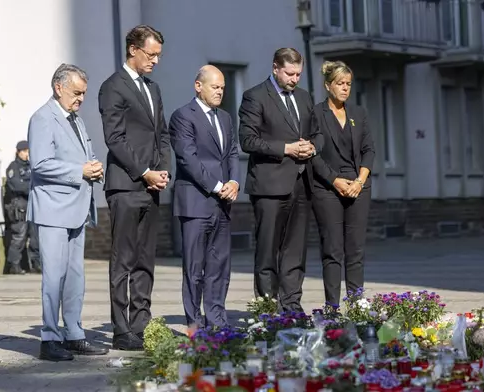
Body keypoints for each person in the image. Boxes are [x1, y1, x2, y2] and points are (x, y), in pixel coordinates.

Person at [27, 63, 108, 361]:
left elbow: (85, 153)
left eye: (84, 93)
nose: (81, 99)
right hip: (52, 209)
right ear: (58, 87)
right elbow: (40, 164)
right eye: (76, 92)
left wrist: (94, 168)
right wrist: (80, 170)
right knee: (54, 277)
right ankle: (49, 337)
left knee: (75, 277)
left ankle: (73, 333)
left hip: (76, 208)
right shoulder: (42, 118)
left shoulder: (76, 119)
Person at [98, 25, 171, 351]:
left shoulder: (153, 88)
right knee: (124, 260)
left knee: (145, 259)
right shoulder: (113, 87)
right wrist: (144, 172)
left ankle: (142, 323)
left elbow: (162, 134)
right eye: (151, 54)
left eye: (158, 55)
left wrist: (163, 169)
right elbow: (114, 138)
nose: (155, 60)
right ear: (133, 49)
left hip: (152, 186)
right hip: (126, 186)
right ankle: (122, 328)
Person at [238, 48, 323, 312]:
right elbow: (247, 141)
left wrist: (312, 147)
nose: (294, 79)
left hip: (301, 183)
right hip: (269, 185)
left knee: (295, 251)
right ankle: (268, 308)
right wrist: (286, 148)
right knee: (267, 251)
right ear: (275, 68)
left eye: (298, 74)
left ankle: (292, 306)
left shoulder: (305, 97)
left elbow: (317, 133)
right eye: (289, 73)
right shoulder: (255, 96)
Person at [169, 65, 240, 328]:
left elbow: (232, 152)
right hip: (196, 202)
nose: (220, 91)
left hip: (222, 204)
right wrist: (218, 185)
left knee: (219, 268)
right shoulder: (183, 116)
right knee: (194, 268)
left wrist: (233, 181)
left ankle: (217, 321)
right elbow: (188, 159)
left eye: (223, 87)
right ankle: (195, 325)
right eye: (215, 86)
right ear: (198, 86)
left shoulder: (225, 118)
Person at [311, 61, 375, 306]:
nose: (345, 88)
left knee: (356, 251)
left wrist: (360, 180)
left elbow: (369, 150)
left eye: (348, 84)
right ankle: (332, 307)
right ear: (328, 85)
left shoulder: (359, 114)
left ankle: (357, 305)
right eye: (340, 84)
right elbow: (313, 155)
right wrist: (334, 180)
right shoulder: (316, 114)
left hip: (359, 186)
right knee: (333, 250)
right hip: (328, 187)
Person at [4, 140, 40, 275]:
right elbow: (17, 186)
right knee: (19, 236)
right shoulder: (13, 168)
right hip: (19, 206)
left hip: (32, 204)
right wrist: (30, 187)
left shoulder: (32, 166)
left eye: (28, 152)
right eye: (24, 151)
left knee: (35, 236)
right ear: (18, 152)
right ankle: (14, 265)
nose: (26, 155)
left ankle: (37, 265)